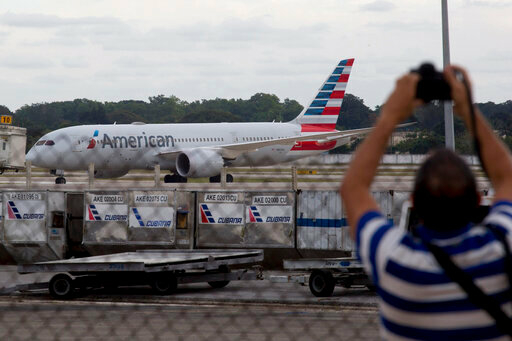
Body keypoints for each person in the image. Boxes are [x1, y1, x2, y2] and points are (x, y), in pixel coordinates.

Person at [340, 65, 512, 340]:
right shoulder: (501, 249)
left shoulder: (394, 262)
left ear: (414, 203)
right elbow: (507, 178)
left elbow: (352, 188)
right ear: (479, 200)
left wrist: (390, 116)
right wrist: (468, 109)